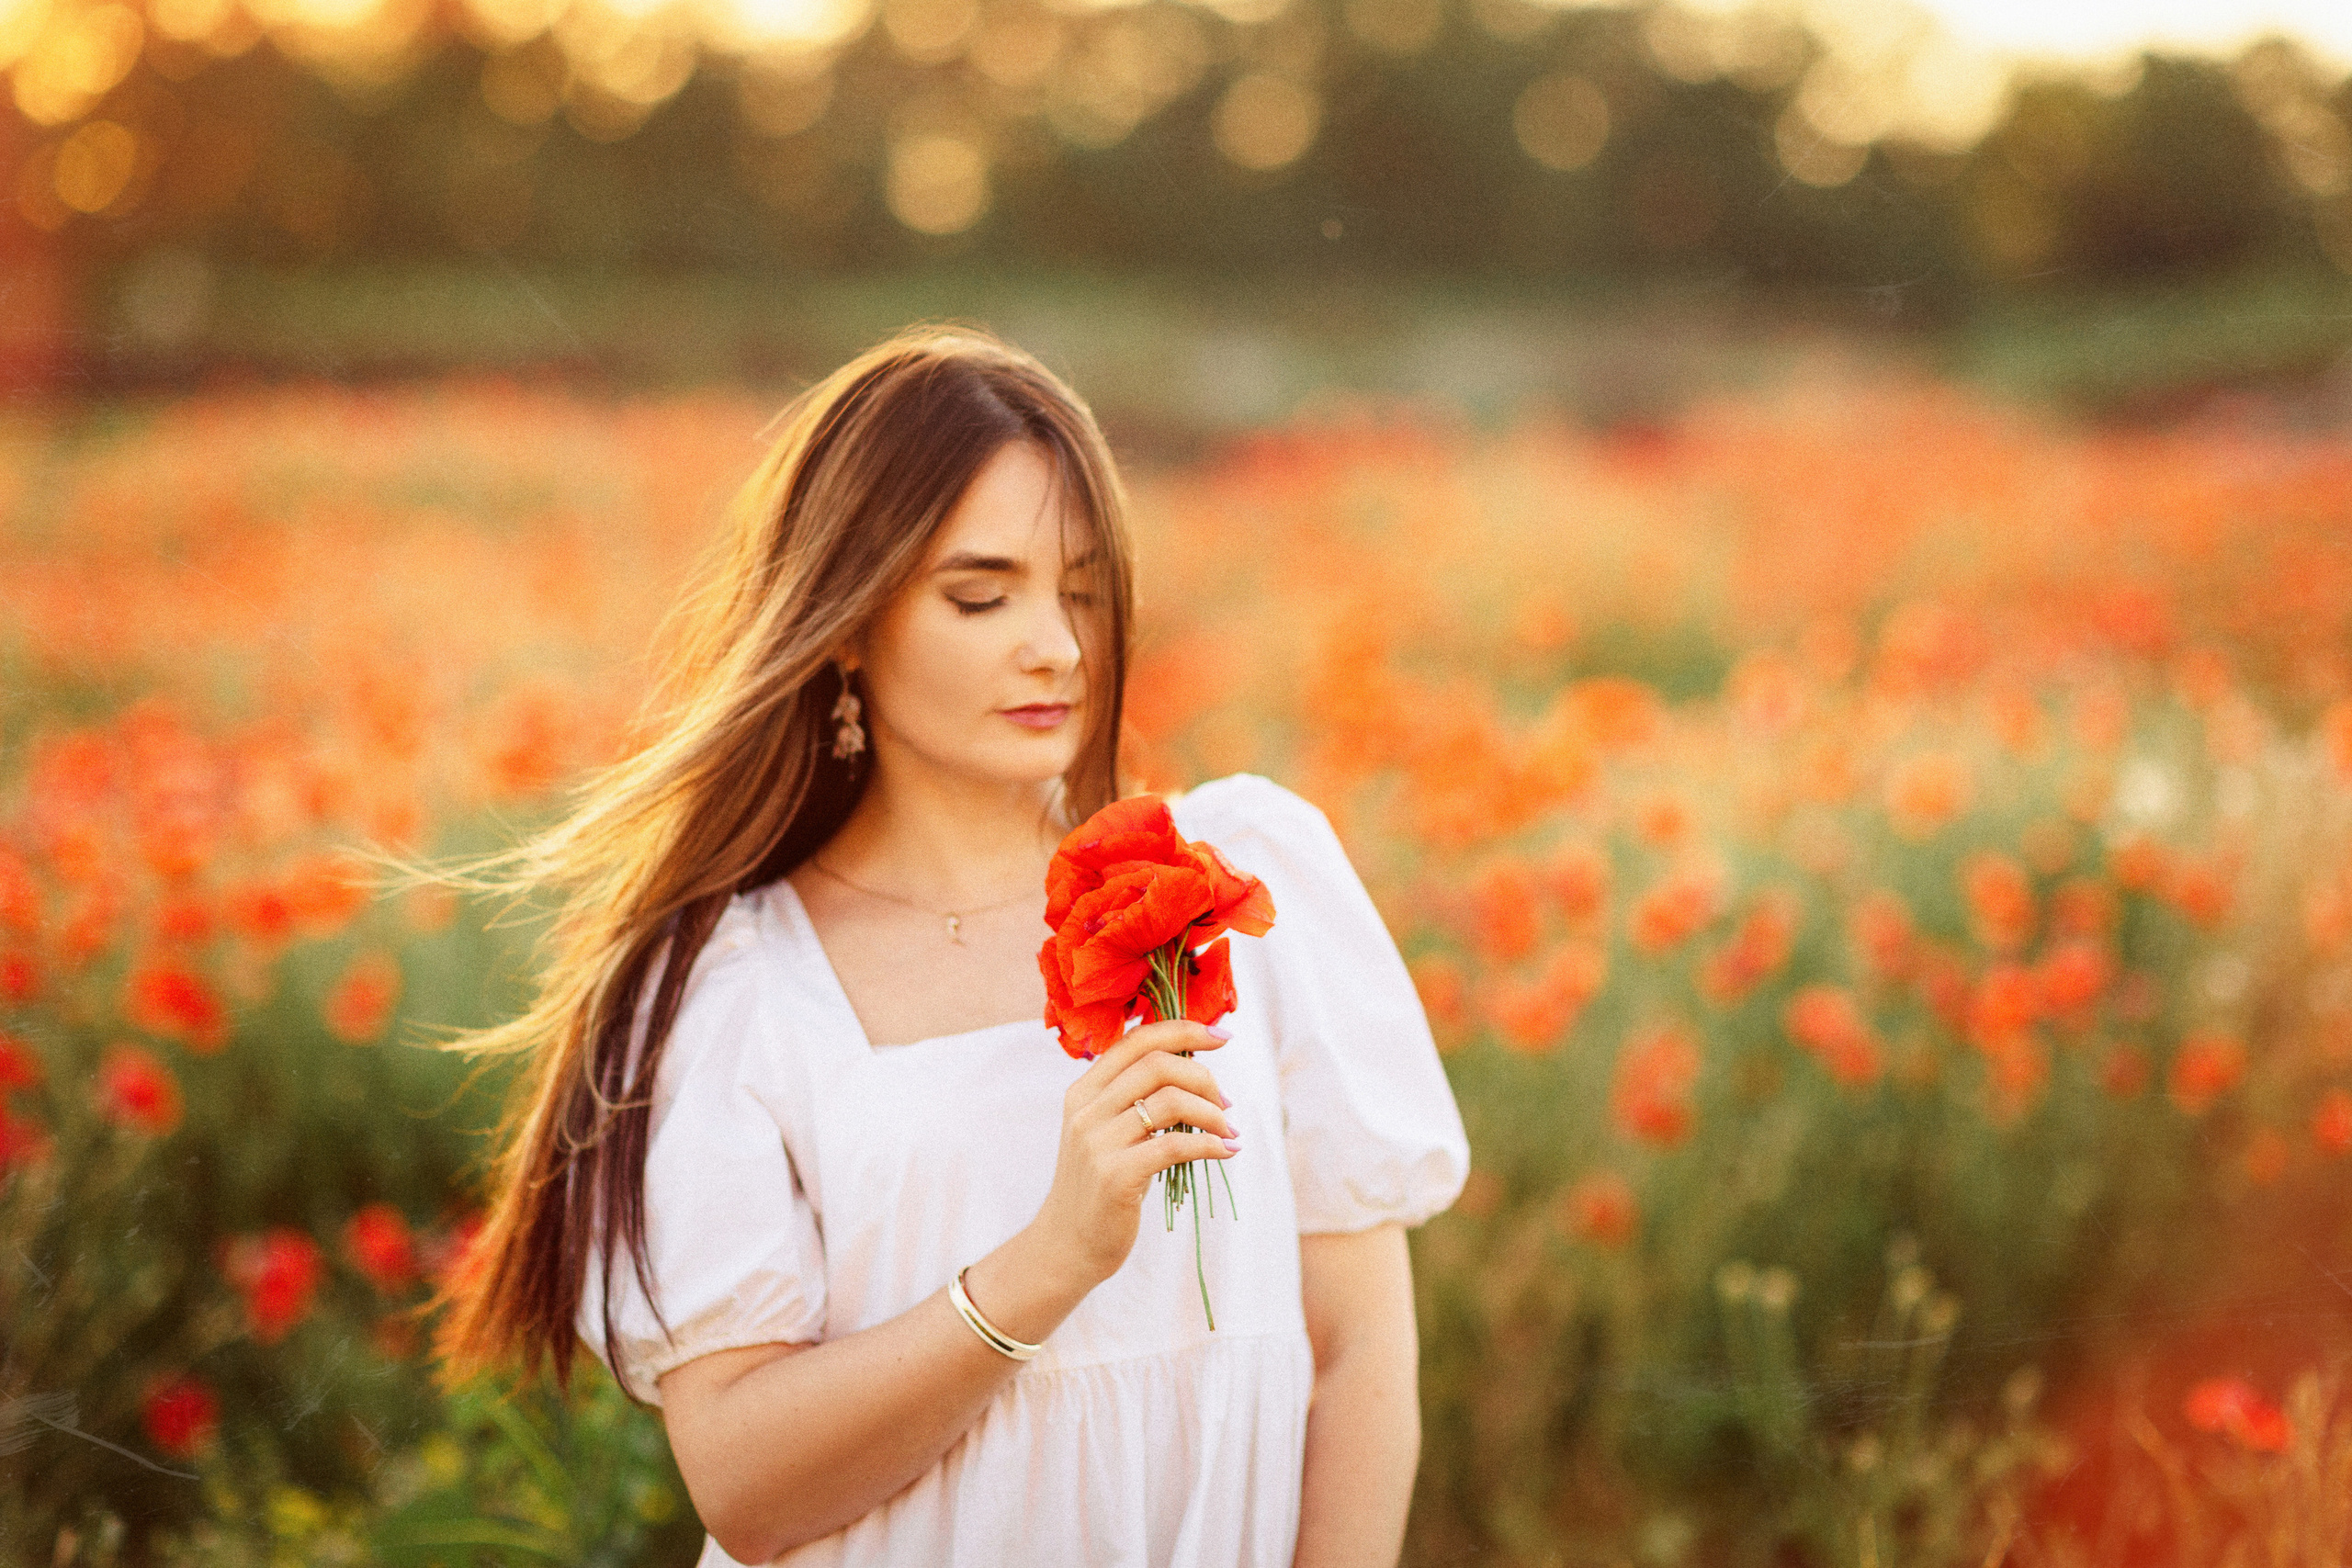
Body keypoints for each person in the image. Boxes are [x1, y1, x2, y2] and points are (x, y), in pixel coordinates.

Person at [432, 326, 1470, 1566]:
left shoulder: (1233, 883)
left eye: (1081, 590)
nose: (1058, 647)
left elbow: (1358, 1353)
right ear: (842, 623)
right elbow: (746, 1489)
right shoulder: (738, 988)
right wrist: (1049, 1263)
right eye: (981, 596)